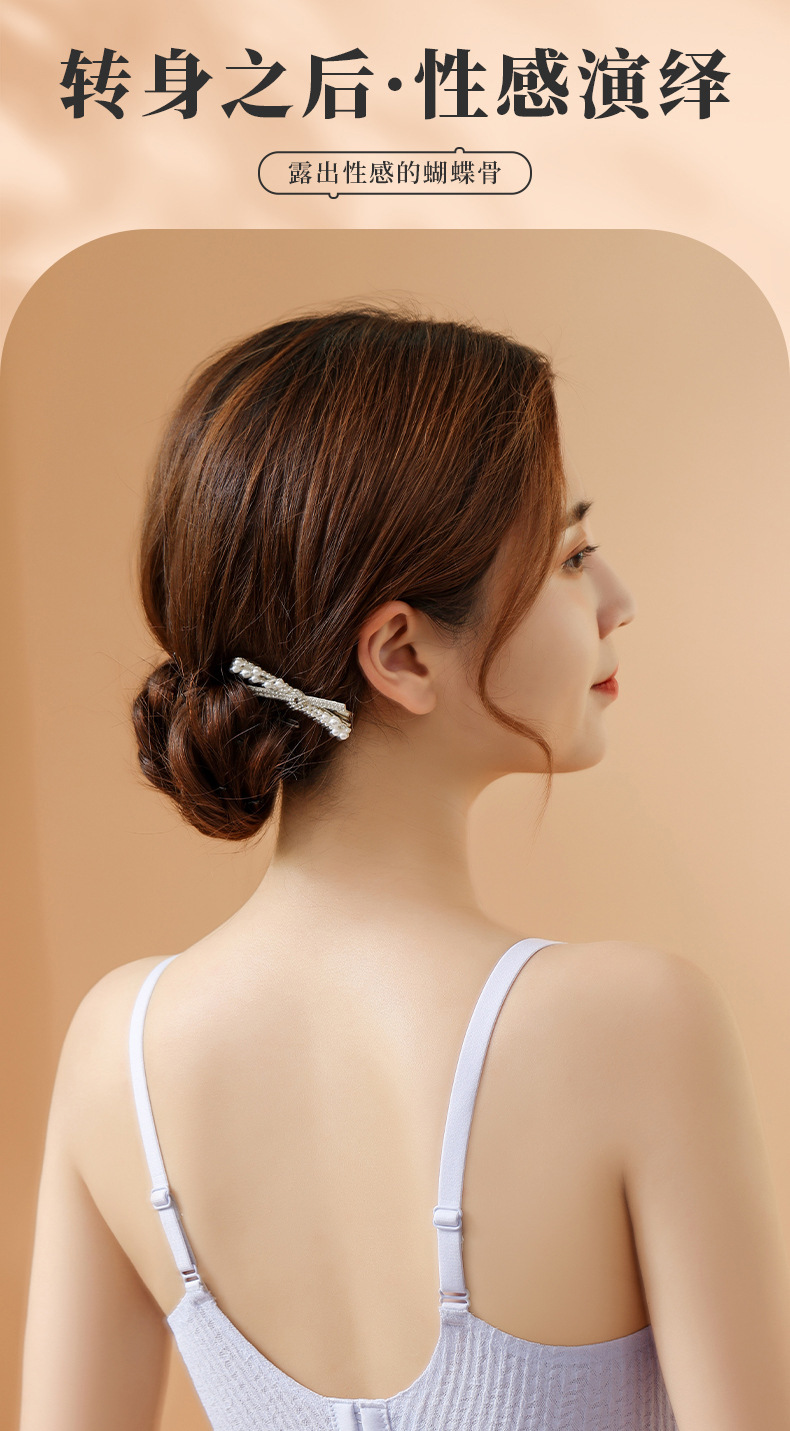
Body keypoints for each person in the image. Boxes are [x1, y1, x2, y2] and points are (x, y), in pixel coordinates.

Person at [20, 308, 790, 1431]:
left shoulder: (116, 1052)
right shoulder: (633, 1023)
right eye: (571, 557)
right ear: (402, 652)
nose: (617, 599)